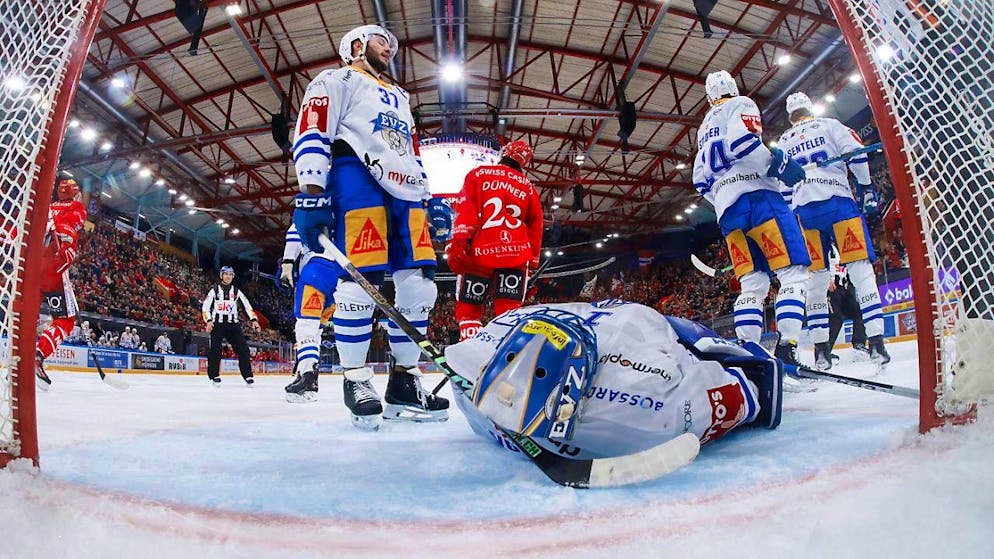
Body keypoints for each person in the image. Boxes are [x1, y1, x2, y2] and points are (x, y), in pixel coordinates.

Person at [286, 24, 449, 430]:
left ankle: (405, 382)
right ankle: (356, 379)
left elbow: (410, 149)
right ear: (356, 46)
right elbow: (312, 130)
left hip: (406, 189)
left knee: (420, 284)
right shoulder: (335, 79)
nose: (389, 47)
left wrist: (428, 197)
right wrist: (311, 192)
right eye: (380, 40)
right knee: (361, 280)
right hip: (355, 176)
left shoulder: (399, 96)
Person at [445, 300, 782, 460]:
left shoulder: (650, 397)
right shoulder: (484, 347)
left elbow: (749, 393)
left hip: (636, 324)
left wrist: (755, 382)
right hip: (610, 320)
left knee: (700, 342)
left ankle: (747, 350)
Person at [691, 71, 810, 366]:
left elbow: (699, 180)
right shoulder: (741, 104)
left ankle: (749, 354)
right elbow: (743, 143)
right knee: (793, 274)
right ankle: (788, 349)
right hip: (760, 200)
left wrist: (722, 197)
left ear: (709, 97)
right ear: (734, 88)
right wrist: (777, 164)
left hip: (728, 213)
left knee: (753, 284)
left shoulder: (703, 128)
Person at [777, 92, 890, 369]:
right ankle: (875, 344)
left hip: (806, 213)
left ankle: (821, 353)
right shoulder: (830, 125)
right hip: (838, 203)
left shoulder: (783, 141)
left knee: (816, 284)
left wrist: (794, 214)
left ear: (790, 116)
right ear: (810, 108)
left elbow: (783, 187)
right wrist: (865, 187)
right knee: (861, 273)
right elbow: (855, 154)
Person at [445, 140, 544, 341]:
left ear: (504, 153)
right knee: (509, 311)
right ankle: (507, 359)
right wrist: (533, 261)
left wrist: (459, 241)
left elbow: (466, 210)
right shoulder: (529, 187)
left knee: (469, 308)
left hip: (481, 251)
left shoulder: (478, 174)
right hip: (516, 255)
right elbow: (536, 225)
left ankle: (471, 355)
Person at [34, 178, 87, 390]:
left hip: (31, 266)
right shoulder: (76, 206)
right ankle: (38, 355)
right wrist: (66, 248)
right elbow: (69, 227)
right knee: (65, 319)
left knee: (29, 314)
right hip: (53, 268)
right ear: (74, 193)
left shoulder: (48, 207)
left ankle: (19, 353)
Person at [200, 266, 260, 385]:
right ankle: (214, 375)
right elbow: (205, 307)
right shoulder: (215, 290)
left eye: (230, 274)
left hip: (233, 325)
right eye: (226, 274)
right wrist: (209, 321)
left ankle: (248, 376)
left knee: (243, 349)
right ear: (221, 275)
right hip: (217, 324)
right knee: (215, 350)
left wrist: (254, 319)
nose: (228, 276)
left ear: (233, 277)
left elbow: (247, 305)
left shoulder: (237, 291)